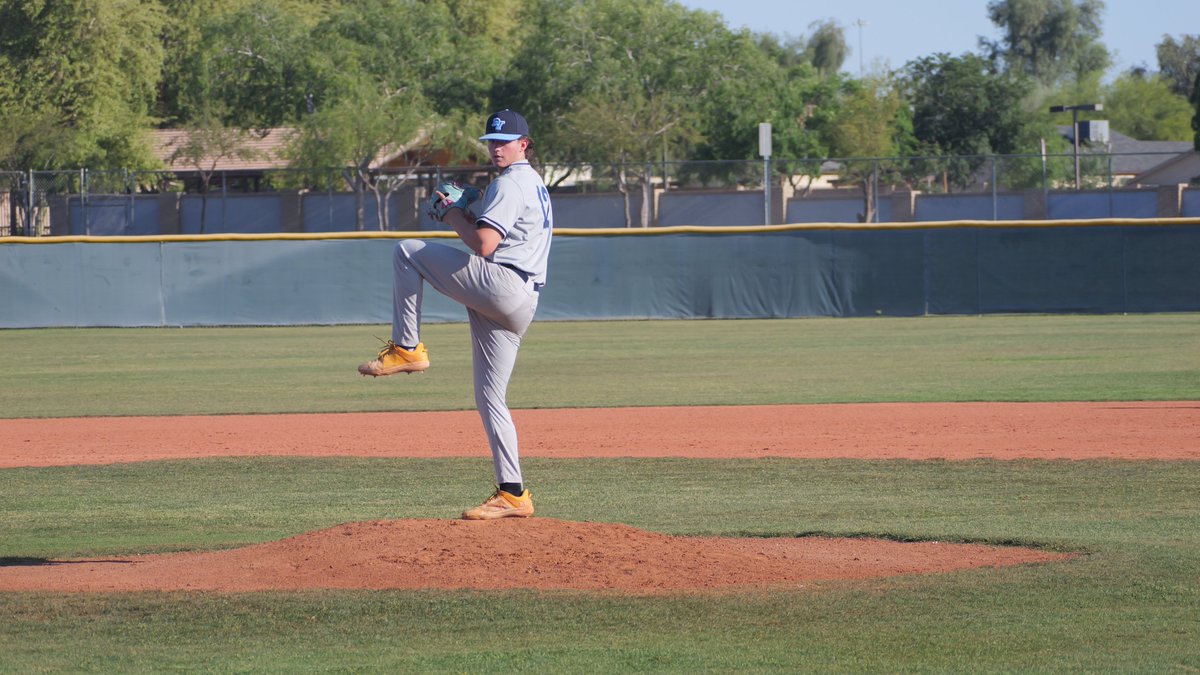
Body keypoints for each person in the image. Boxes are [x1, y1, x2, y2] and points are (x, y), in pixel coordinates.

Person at [358, 109, 553, 520]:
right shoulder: (534, 183)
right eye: (492, 141)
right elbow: (499, 232)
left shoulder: (510, 183)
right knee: (490, 398)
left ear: (525, 143)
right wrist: (471, 205)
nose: (497, 148)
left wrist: (451, 214)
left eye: (506, 141)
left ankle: (407, 347)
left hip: (503, 284)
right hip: (521, 301)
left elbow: (484, 245)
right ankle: (514, 493)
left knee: (408, 251)